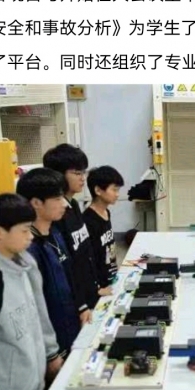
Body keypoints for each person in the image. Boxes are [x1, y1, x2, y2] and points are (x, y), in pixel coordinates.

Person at [0, 193, 63, 390]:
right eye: (24, 230)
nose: (30, 237)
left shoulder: (26, 264)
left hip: (32, 386)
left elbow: (39, 314)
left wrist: (51, 353)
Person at [16, 168, 81, 355]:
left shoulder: (55, 232)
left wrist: (81, 307)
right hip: (50, 343)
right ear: (36, 203)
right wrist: (50, 353)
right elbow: (35, 306)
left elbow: (70, 275)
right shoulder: (28, 250)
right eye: (58, 199)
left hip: (71, 328)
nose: (65, 204)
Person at [43, 143, 106, 322]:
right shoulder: (57, 214)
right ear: (59, 175)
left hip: (90, 293)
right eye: (77, 173)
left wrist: (96, 289)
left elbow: (85, 253)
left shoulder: (75, 205)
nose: (83, 178)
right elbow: (68, 265)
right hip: (76, 303)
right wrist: (81, 304)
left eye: (84, 172)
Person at [84, 165, 125, 289]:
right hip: (100, 283)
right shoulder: (88, 220)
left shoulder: (106, 212)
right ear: (98, 190)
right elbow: (89, 258)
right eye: (114, 190)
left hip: (111, 274)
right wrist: (97, 287)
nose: (117, 194)